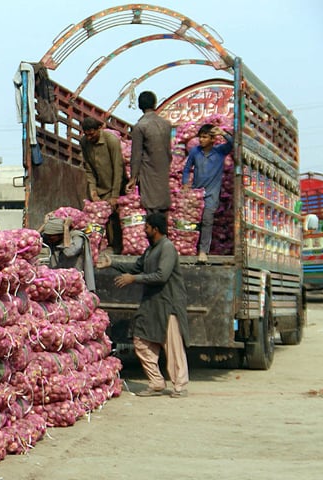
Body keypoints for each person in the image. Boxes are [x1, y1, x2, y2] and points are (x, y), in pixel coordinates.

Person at [95, 213, 189, 398]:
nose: (144, 230)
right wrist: (113, 264)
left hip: (169, 305)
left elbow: (161, 276)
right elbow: (136, 267)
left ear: (155, 229)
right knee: (141, 340)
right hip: (152, 304)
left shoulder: (167, 248)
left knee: (172, 347)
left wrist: (133, 279)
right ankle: (156, 383)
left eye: (146, 227)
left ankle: (180, 386)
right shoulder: (151, 250)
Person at [182, 124, 233, 263]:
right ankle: (190, 247)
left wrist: (222, 132)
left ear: (212, 139)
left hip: (212, 194)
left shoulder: (220, 151)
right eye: (200, 137)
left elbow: (233, 143)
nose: (201, 140)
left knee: (207, 220)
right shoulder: (195, 152)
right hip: (196, 193)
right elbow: (187, 169)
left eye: (205, 137)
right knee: (193, 222)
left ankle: (203, 251)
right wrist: (185, 183)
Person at [79, 117, 126, 253]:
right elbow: (88, 168)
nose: (89, 138)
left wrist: (115, 195)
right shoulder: (84, 142)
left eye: (92, 134)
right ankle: (98, 246)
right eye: (86, 135)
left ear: (99, 129)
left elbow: (118, 169)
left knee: (115, 217)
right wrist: (92, 190)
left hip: (115, 184)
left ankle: (117, 246)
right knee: (96, 217)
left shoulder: (111, 141)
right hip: (100, 185)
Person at [126, 91, 173, 216]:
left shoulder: (140, 126)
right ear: (155, 104)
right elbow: (168, 150)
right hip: (163, 170)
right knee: (162, 207)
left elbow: (136, 155)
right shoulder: (166, 125)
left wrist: (133, 178)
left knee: (151, 207)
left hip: (148, 172)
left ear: (140, 106)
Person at [39, 215, 95, 292]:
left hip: (75, 283)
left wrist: (66, 228)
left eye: (51, 237)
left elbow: (69, 252)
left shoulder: (77, 237)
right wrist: (44, 225)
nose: (48, 240)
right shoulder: (52, 240)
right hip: (58, 282)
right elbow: (33, 241)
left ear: (60, 234)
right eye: (47, 236)